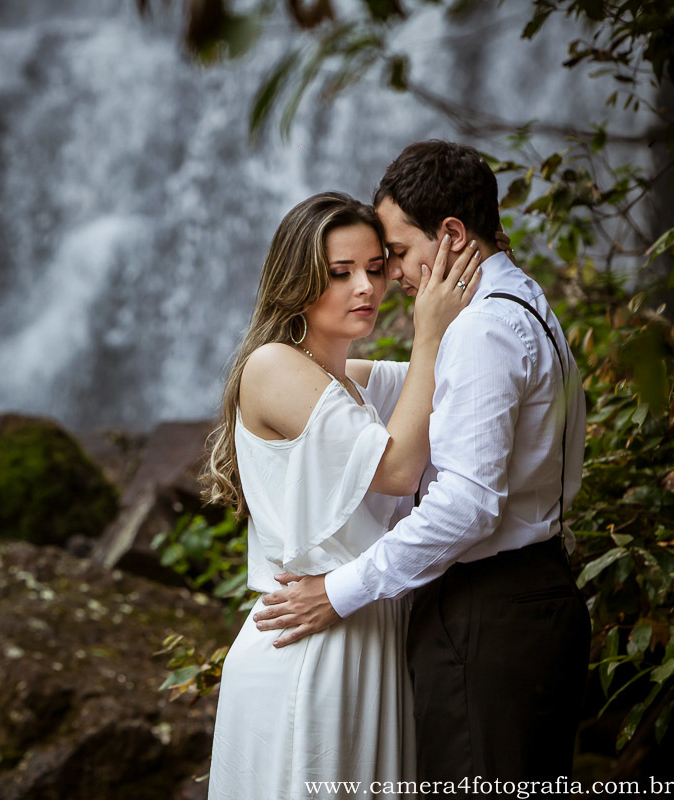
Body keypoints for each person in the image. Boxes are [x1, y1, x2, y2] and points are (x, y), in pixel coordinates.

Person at [253, 141, 591, 790]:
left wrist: (339, 590)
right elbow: (384, 391)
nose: (393, 277)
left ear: (452, 235)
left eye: (401, 254)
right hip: (530, 598)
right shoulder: (527, 308)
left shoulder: (483, 330)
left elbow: (465, 505)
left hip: (487, 614)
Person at [202, 190, 482, 798]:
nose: (367, 288)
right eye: (341, 273)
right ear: (297, 279)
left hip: (362, 632)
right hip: (308, 648)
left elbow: (463, 384)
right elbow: (399, 468)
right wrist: (429, 332)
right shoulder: (273, 367)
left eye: (377, 270)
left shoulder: (346, 379)